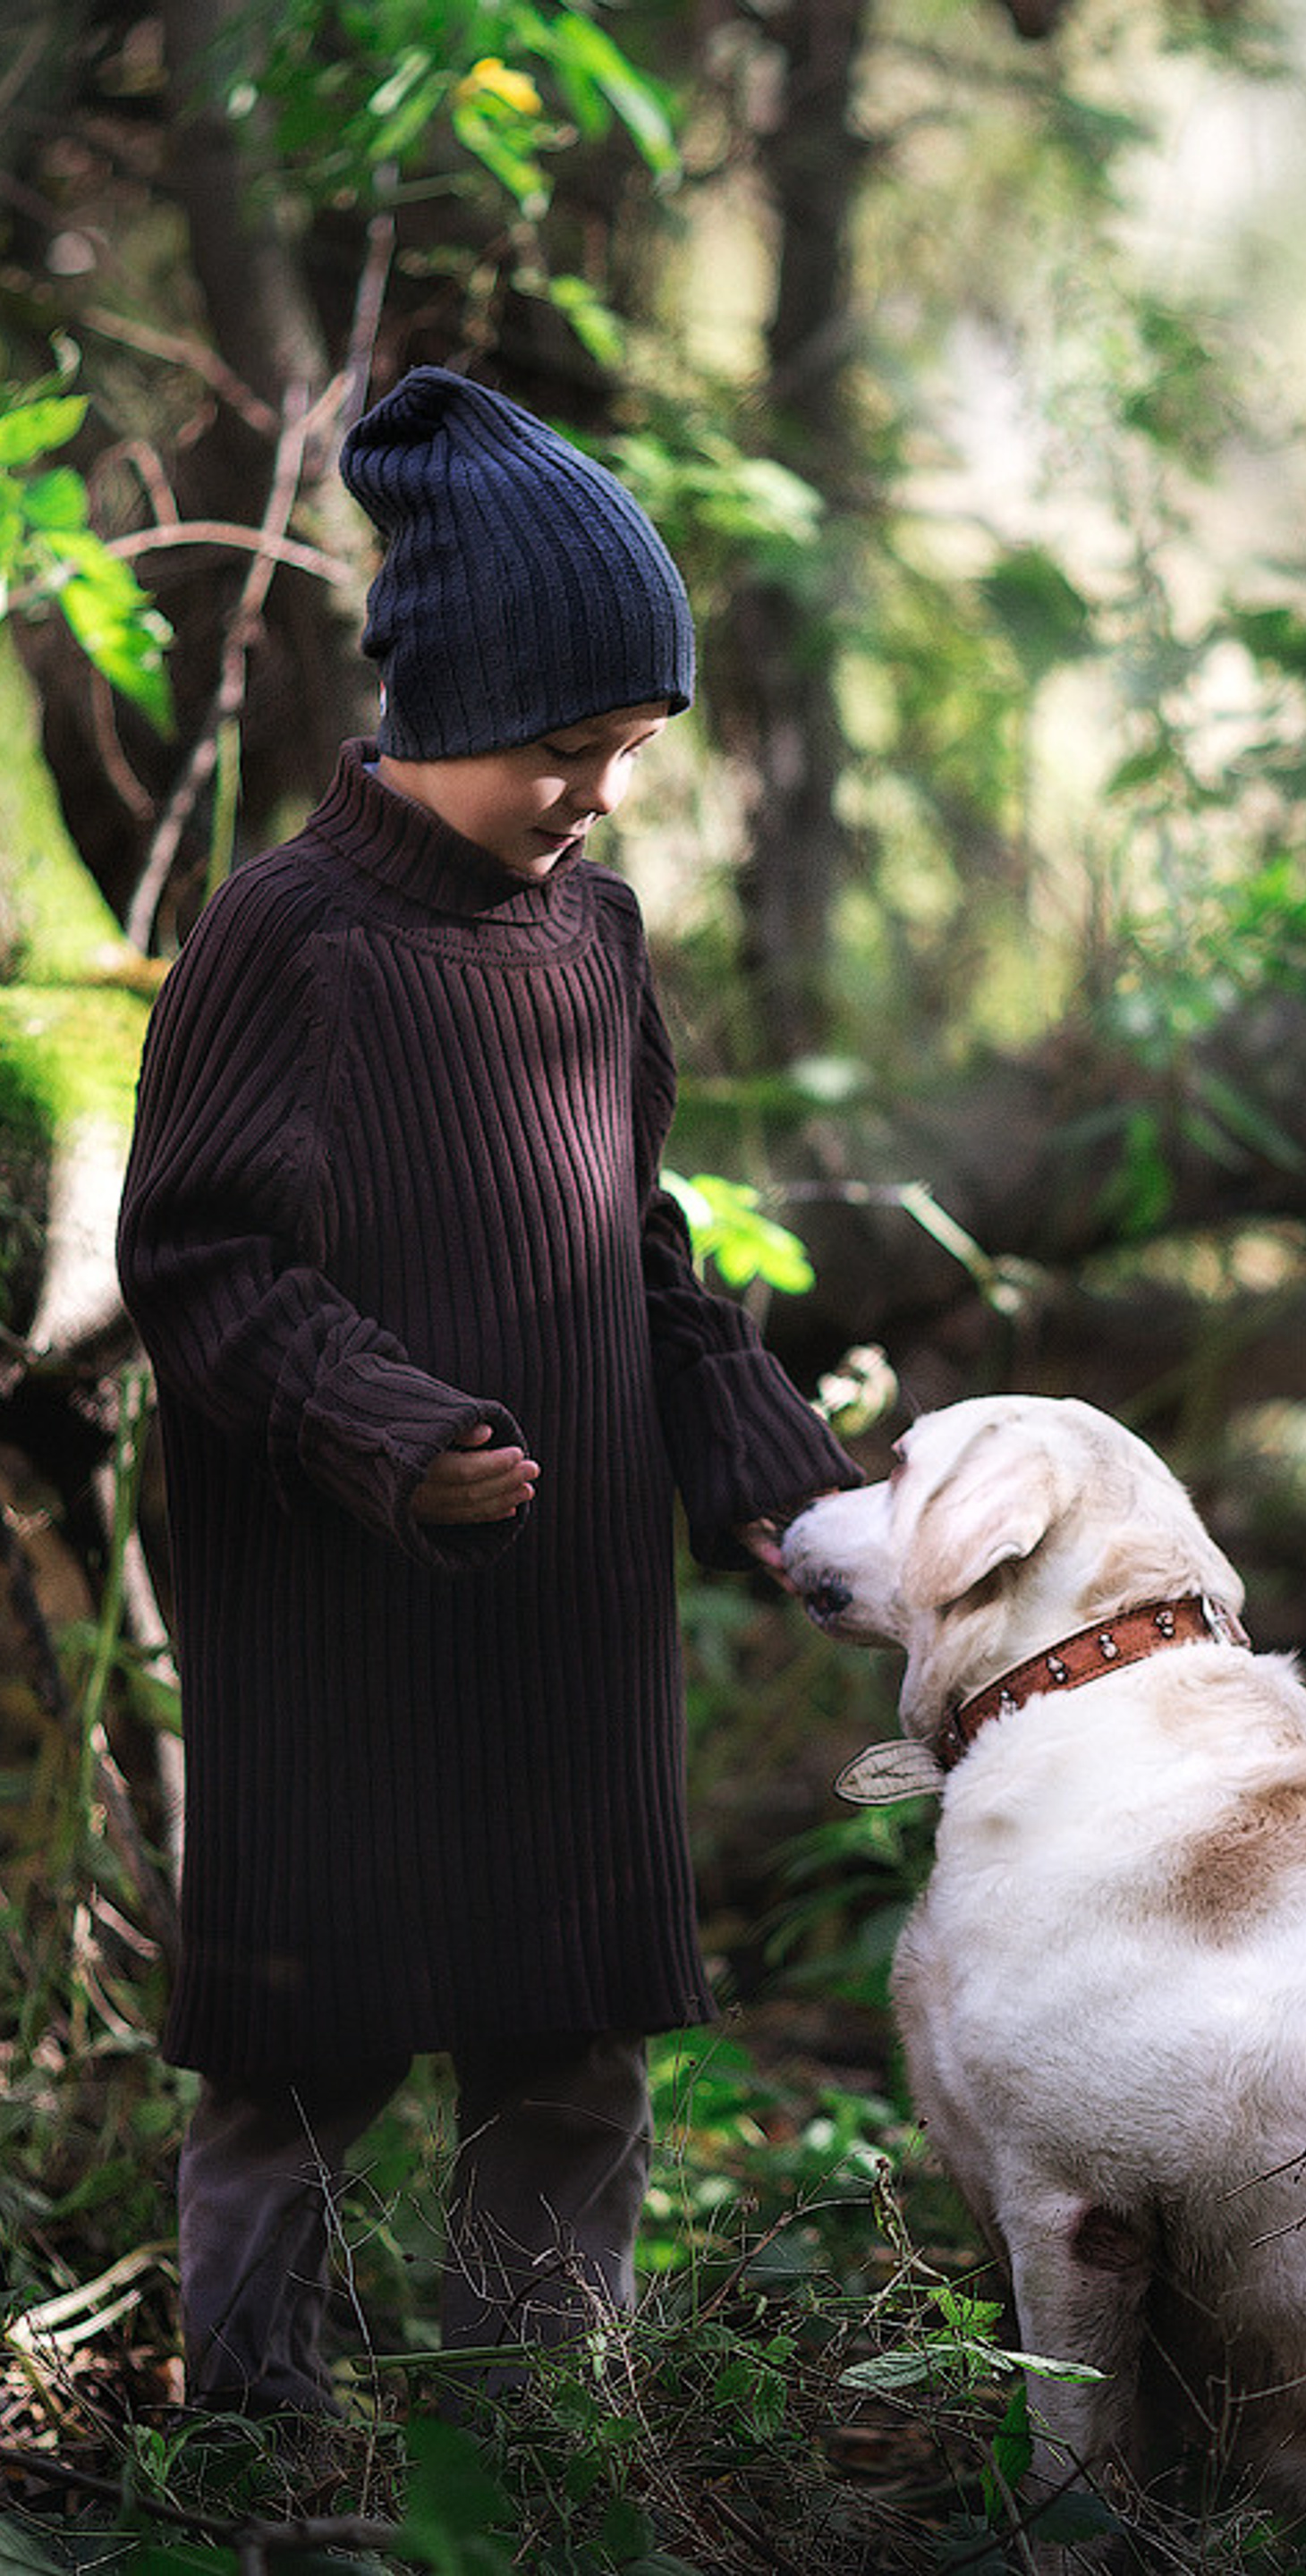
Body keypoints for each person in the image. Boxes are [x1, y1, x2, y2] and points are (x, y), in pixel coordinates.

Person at [116, 365, 860, 2421]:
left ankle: (529, 2431)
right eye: (562, 747)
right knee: (305, 2045)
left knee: (568, 2037)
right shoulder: (287, 940)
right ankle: (255, 2415)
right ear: (436, 705)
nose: (595, 792)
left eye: (626, 751)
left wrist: (782, 1488)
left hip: (564, 1621)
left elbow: (642, 1257)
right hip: (346, 1618)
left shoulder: (595, 942)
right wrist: (394, 1430)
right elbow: (195, 1264)